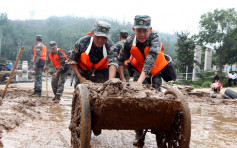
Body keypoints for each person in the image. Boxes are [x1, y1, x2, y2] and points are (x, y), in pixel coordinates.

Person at [117, 15, 175, 147]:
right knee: (137, 102)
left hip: (155, 71)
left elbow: (149, 62)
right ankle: (139, 135)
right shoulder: (129, 42)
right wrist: (122, 78)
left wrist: (138, 83)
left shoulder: (155, 38)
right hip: (139, 70)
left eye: (145, 30)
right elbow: (120, 59)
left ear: (150, 29)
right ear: (134, 30)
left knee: (158, 102)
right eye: (139, 31)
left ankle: (160, 139)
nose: (142, 34)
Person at [68, 20, 118, 87]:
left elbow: (113, 62)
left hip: (100, 71)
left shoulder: (110, 45)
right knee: (80, 91)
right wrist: (80, 78)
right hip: (83, 71)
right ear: (92, 33)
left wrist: (110, 81)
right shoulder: (82, 43)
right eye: (98, 36)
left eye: (104, 37)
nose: (100, 40)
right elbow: (72, 60)